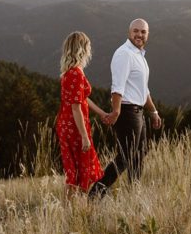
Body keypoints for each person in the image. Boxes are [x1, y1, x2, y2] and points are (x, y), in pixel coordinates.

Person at [90, 18, 162, 198]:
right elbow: (117, 87)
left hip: (138, 112)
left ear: (148, 34)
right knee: (125, 156)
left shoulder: (139, 56)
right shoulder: (124, 54)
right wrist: (116, 111)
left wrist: (153, 112)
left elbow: (143, 90)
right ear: (129, 32)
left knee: (139, 153)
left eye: (143, 32)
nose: (139, 34)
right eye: (136, 31)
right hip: (127, 111)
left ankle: (134, 193)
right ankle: (94, 194)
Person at [55, 31, 108, 199]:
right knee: (80, 169)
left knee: (73, 170)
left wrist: (101, 113)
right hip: (75, 126)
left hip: (66, 124)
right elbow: (76, 107)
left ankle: (71, 208)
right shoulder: (76, 73)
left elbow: (82, 98)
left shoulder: (69, 71)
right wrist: (84, 136)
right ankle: (76, 208)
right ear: (82, 49)